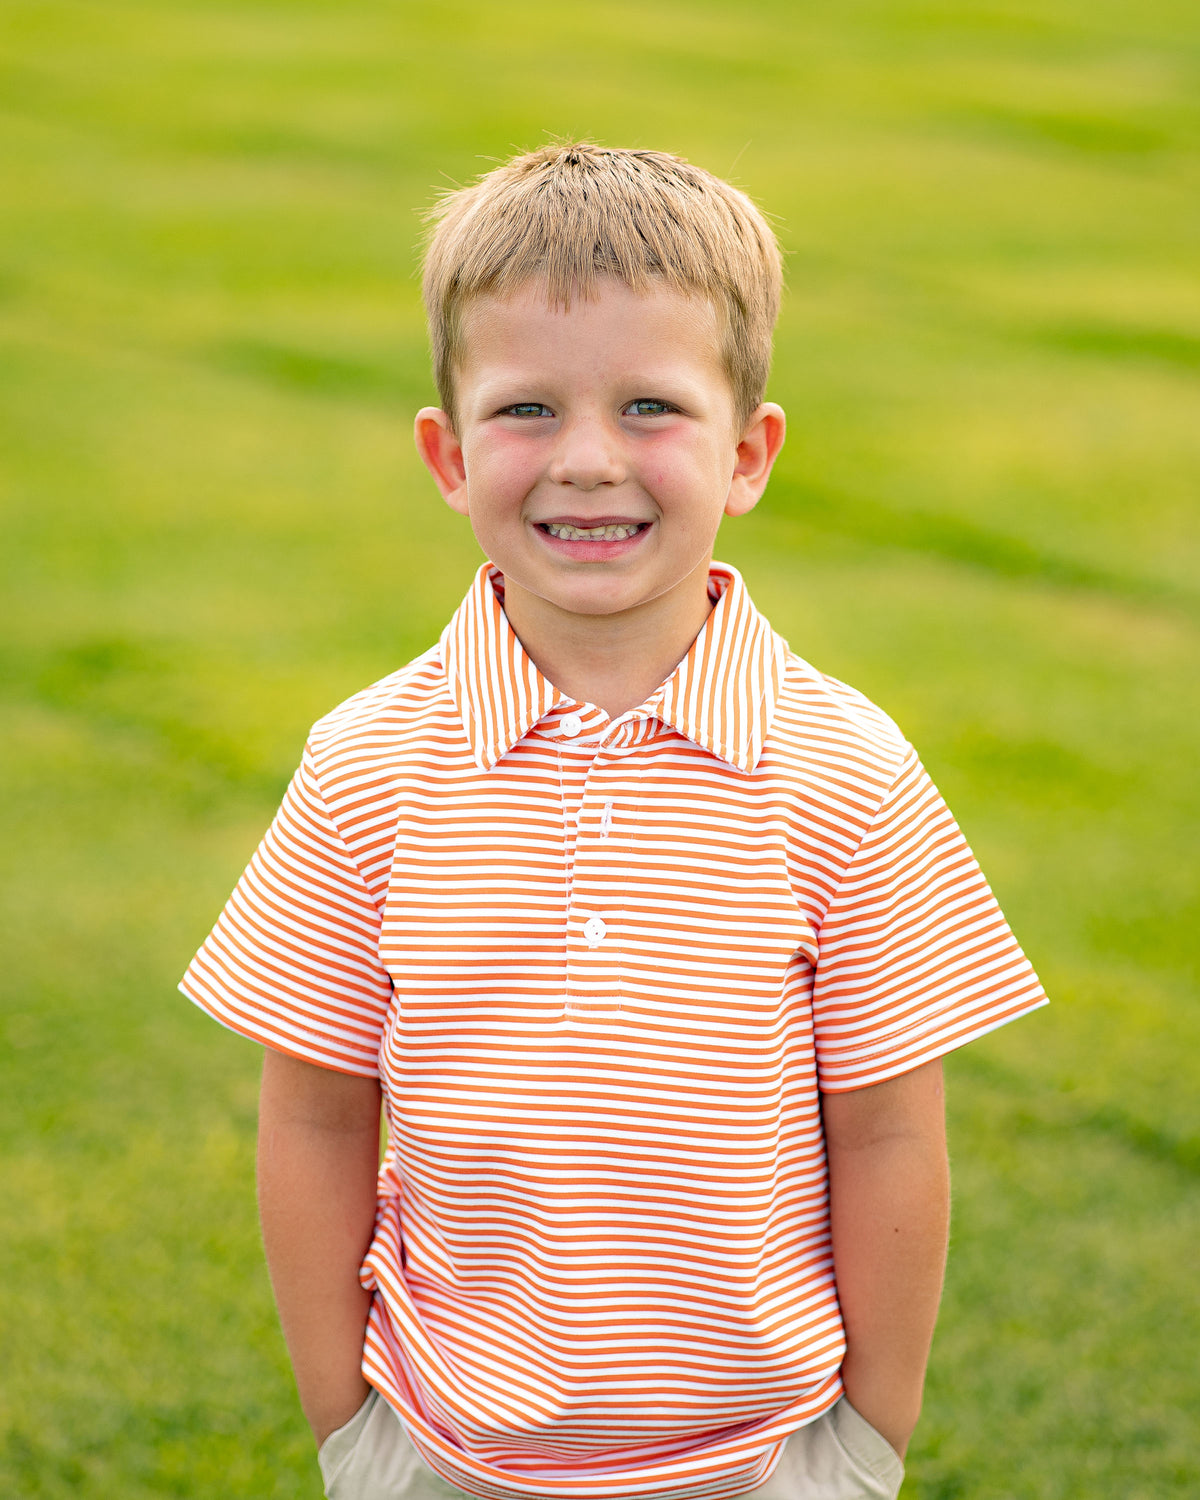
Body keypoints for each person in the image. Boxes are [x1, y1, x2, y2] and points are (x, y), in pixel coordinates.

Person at [181, 143, 1047, 1500]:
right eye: (528, 410)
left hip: (769, 1455)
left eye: (651, 406)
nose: (588, 463)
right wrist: (349, 1426)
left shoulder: (845, 770)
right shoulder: (364, 768)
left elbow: (888, 1129)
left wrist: (867, 1442)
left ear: (748, 453)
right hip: (438, 1438)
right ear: (449, 453)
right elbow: (312, 1113)